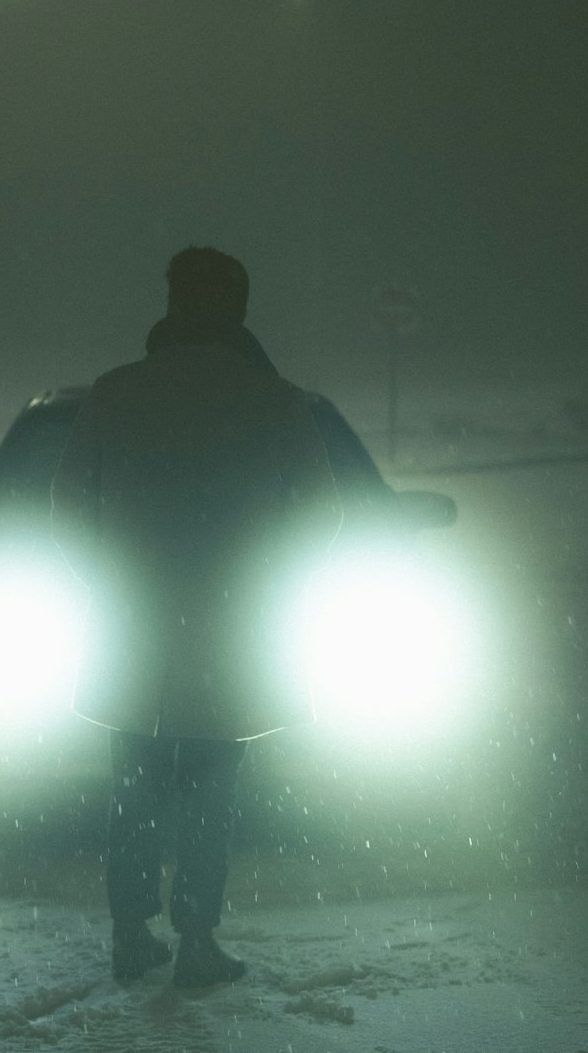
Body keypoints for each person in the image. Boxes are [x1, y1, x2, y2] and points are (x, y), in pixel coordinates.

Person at [51, 246, 341, 987]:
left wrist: (114, 572)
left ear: (173, 303)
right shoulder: (274, 399)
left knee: (136, 786)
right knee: (211, 790)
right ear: (238, 309)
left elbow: (70, 507)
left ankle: (128, 930)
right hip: (231, 632)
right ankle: (196, 936)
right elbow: (320, 515)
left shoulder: (116, 394)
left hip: (134, 628)